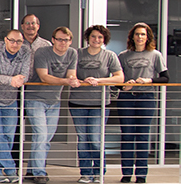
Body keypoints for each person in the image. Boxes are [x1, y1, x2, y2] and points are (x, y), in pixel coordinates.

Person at [24, 26, 81, 184]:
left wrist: (72, 79)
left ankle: (31, 169)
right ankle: (39, 172)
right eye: (60, 39)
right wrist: (66, 81)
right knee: (41, 136)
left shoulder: (72, 53)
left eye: (67, 40)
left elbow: (71, 73)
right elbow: (44, 77)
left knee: (45, 138)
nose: (63, 43)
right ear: (53, 40)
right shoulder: (42, 52)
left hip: (54, 100)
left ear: (71, 41)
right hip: (35, 98)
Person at [70, 25, 123, 183]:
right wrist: (81, 81)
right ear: (88, 38)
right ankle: (86, 173)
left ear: (104, 39)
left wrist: (98, 81)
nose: (96, 40)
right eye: (93, 36)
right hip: (77, 103)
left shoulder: (110, 56)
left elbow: (119, 78)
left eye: (100, 37)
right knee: (83, 139)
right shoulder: (77, 54)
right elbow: (70, 74)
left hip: (100, 105)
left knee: (95, 138)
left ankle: (99, 171)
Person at [116, 23, 167, 184]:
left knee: (143, 137)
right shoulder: (123, 56)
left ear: (148, 37)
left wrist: (148, 80)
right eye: (137, 34)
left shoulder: (155, 55)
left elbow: (165, 78)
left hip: (146, 98)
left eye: (143, 34)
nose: (139, 37)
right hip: (126, 99)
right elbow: (116, 79)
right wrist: (124, 85)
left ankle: (141, 175)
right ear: (132, 37)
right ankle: (126, 173)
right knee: (127, 136)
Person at [0, 30, 31, 183]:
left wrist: (17, 80)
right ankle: (10, 169)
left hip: (10, 99)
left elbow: (25, 74)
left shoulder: (26, 51)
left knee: (8, 137)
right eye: (12, 41)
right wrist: (11, 80)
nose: (15, 44)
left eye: (19, 42)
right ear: (5, 40)